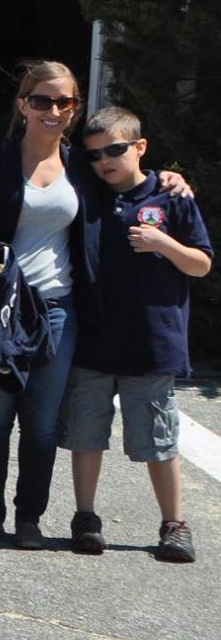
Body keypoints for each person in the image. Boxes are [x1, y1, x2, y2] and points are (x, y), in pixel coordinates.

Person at [0, 62, 95, 551]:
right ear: (23, 104)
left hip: (57, 310)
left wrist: (173, 183)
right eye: (42, 101)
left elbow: (134, 182)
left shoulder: (83, 168)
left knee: (43, 421)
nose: (53, 111)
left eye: (64, 102)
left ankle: (30, 518)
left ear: (74, 109)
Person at [65, 108, 210, 564]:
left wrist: (164, 244)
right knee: (86, 435)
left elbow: (201, 263)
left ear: (140, 147)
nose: (104, 161)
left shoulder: (171, 198)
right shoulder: (87, 193)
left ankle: (174, 524)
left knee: (158, 438)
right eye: (94, 155)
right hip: (94, 339)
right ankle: (85, 517)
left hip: (153, 343)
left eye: (115, 150)